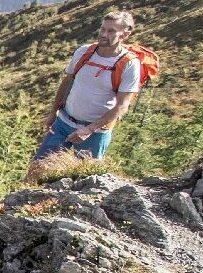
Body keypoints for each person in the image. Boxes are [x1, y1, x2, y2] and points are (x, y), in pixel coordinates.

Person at [30, 9, 144, 174]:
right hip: (63, 123)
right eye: (103, 29)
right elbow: (67, 81)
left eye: (111, 31)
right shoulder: (84, 52)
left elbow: (122, 106)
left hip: (95, 133)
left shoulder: (129, 64)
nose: (104, 34)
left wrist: (89, 129)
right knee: (37, 170)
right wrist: (53, 112)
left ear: (125, 34)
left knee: (81, 178)